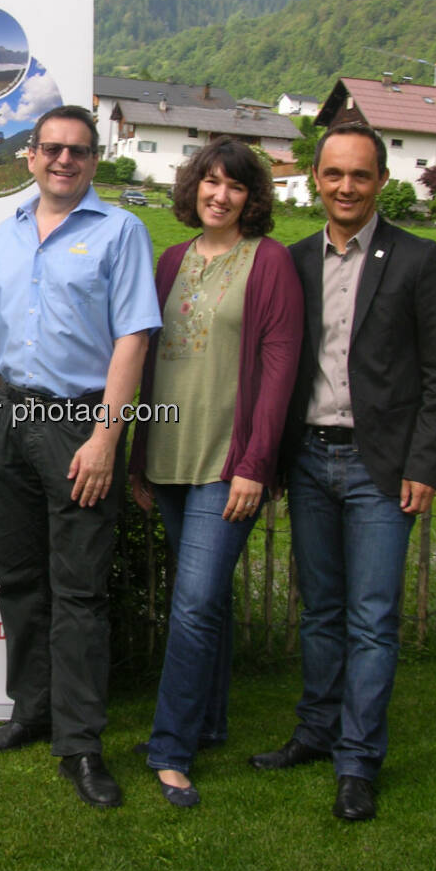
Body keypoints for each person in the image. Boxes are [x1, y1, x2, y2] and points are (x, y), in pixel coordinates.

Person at [249, 121, 436, 822]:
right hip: (308, 458)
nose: (345, 186)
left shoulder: (419, 259)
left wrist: (424, 463)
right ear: (316, 177)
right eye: (333, 173)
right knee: (321, 612)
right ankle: (315, 731)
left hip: (380, 467)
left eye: (359, 175)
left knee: (372, 620)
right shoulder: (294, 260)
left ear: (381, 182)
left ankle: (358, 761)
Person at [0, 104, 160, 809]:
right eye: (51, 149)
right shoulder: (7, 234)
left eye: (77, 150)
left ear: (93, 159)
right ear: (31, 156)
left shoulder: (121, 233)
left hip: (79, 427)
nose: (63, 160)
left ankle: (79, 744)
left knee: (78, 591)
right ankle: (31, 711)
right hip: (9, 418)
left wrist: (108, 437)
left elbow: (133, 339)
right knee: (18, 577)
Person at [127, 137, 303, 808]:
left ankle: (171, 748)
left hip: (227, 467)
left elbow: (280, 374)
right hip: (169, 459)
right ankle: (213, 720)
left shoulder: (271, 264)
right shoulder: (170, 262)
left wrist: (256, 465)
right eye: (209, 182)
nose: (219, 195)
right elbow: (148, 365)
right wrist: (140, 459)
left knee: (194, 604)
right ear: (193, 187)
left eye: (233, 186)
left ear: (251, 198)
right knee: (209, 601)